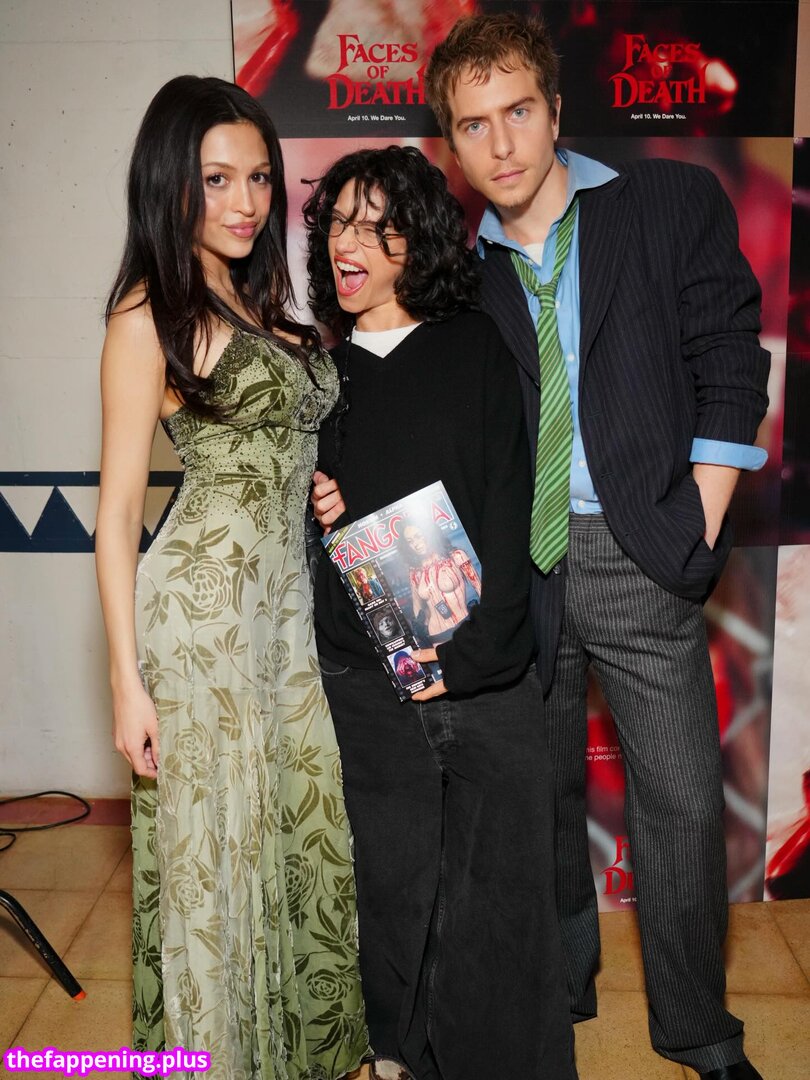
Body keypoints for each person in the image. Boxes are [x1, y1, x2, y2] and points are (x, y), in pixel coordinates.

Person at [422, 14, 770, 1080]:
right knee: (539, 797)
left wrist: (701, 510)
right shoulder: (455, 271)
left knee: (681, 799)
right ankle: (560, 982)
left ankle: (698, 1030)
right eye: (473, 125)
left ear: (556, 108)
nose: (502, 144)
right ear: (450, 143)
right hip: (513, 564)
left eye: (518, 111)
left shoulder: (666, 203)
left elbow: (730, 354)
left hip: (640, 545)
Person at [94, 75, 369, 1079]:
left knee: (290, 832)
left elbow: (278, 443)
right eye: (217, 179)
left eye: (258, 178)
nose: (246, 202)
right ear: (169, 182)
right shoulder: (147, 315)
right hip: (201, 622)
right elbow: (117, 514)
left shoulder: (254, 301)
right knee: (217, 860)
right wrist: (126, 682)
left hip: (280, 620)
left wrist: (313, 484)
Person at [304, 145, 576, 1080]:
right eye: (336, 223)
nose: (347, 244)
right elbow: (312, 536)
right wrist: (316, 502)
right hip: (368, 685)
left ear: (416, 242)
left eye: (373, 226)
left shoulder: (475, 348)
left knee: (501, 903)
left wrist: (470, 660)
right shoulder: (320, 376)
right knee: (388, 897)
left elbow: (509, 505)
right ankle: (395, 1056)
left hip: (485, 676)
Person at [398, 518, 482, 639]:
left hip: (465, 626)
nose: (416, 544)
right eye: (410, 541)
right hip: (437, 635)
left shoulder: (456, 556)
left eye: (418, 536)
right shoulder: (415, 572)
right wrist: (420, 631)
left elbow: (480, 588)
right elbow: (417, 605)